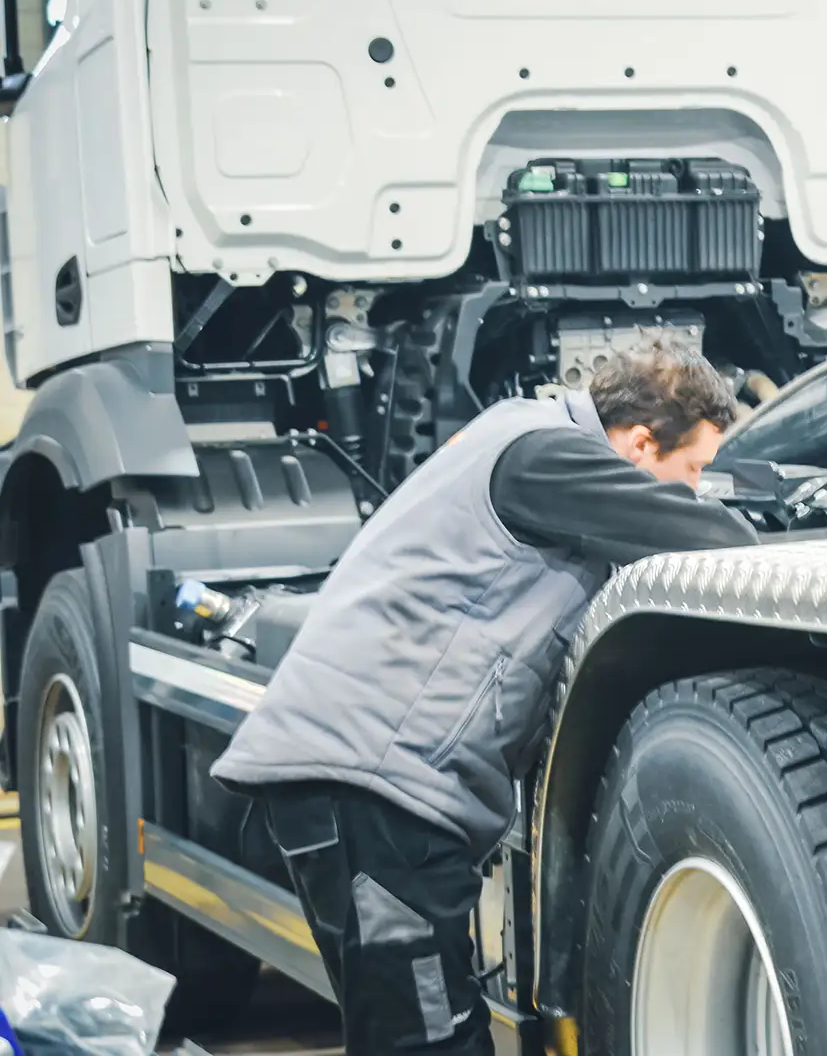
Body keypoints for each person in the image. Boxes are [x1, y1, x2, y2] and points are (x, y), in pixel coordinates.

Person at [211, 343, 759, 1055]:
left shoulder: (524, 436)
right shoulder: (545, 456)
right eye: (693, 471)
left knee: (414, 1030)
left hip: (370, 787)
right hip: (374, 791)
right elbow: (715, 539)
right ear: (640, 443)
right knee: (427, 1039)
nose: (694, 488)